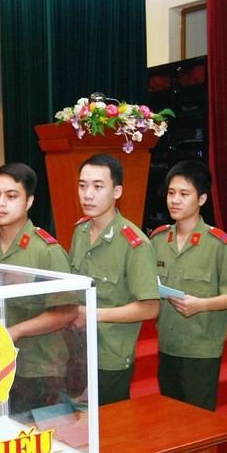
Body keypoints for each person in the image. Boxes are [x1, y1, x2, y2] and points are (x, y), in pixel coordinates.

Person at [0, 162, 77, 413]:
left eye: (11, 196)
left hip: (37, 370)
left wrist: (17, 331)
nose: (1, 203)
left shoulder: (47, 251)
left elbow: (66, 312)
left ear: (29, 202)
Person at [150, 159, 227, 410]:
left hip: (201, 350)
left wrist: (202, 304)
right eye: (171, 193)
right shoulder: (158, 239)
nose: (175, 200)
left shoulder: (219, 244)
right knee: (170, 418)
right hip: (167, 345)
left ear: (202, 199)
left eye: (184, 194)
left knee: (199, 422)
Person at [68, 153, 159, 405]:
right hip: (76, 351)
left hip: (110, 358)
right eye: (83, 185)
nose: (88, 194)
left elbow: (150, 307)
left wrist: (93, 314)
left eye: (98, 187)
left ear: (117, 191)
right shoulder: (80, 231)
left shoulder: (134, 243)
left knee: (111, 436)